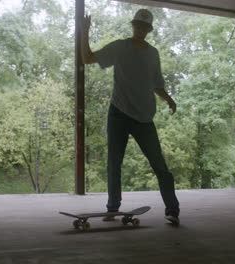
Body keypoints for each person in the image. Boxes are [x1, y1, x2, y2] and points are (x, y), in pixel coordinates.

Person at [81, 9, 180, 225]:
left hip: (144, 117)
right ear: (133, 25)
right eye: (137, 25)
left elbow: (157, 84)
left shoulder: (153, 54)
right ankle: (112, 208)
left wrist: (170, 99)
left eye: (144, 26)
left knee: (160, 165)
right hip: (118, 113)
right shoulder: (119, 47)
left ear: (149, 29)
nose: (140, 29)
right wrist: (84, 31)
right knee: (114, 163)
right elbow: (87, 58)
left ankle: (172, 209)